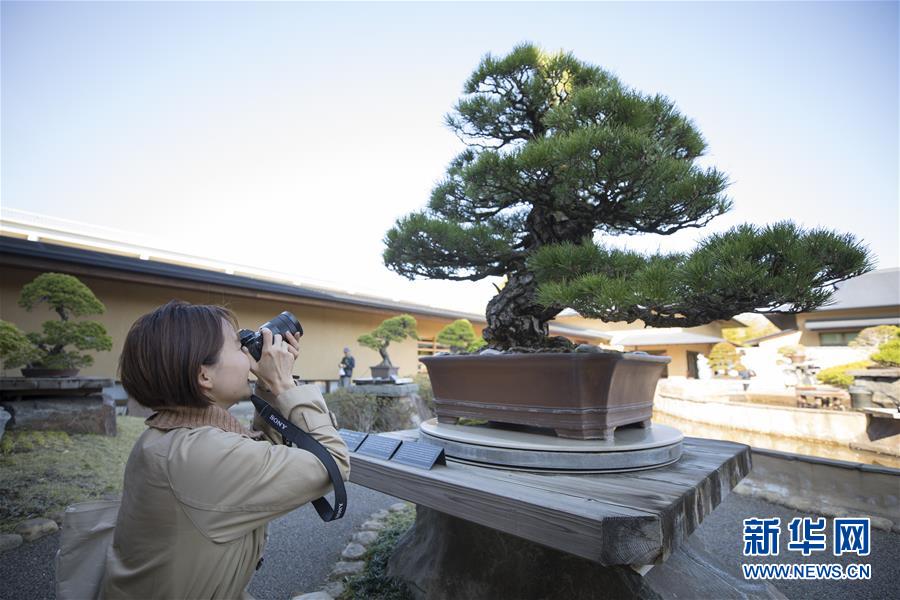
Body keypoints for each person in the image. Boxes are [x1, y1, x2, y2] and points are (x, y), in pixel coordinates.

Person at [101, 300, 350, 599]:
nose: (249, 352)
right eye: (237, 344)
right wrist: (284, 385)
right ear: (204, 376)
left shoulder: (173, 436)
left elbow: (261, 458)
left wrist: (270, 389)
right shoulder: (199, 454)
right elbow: (333, 463)